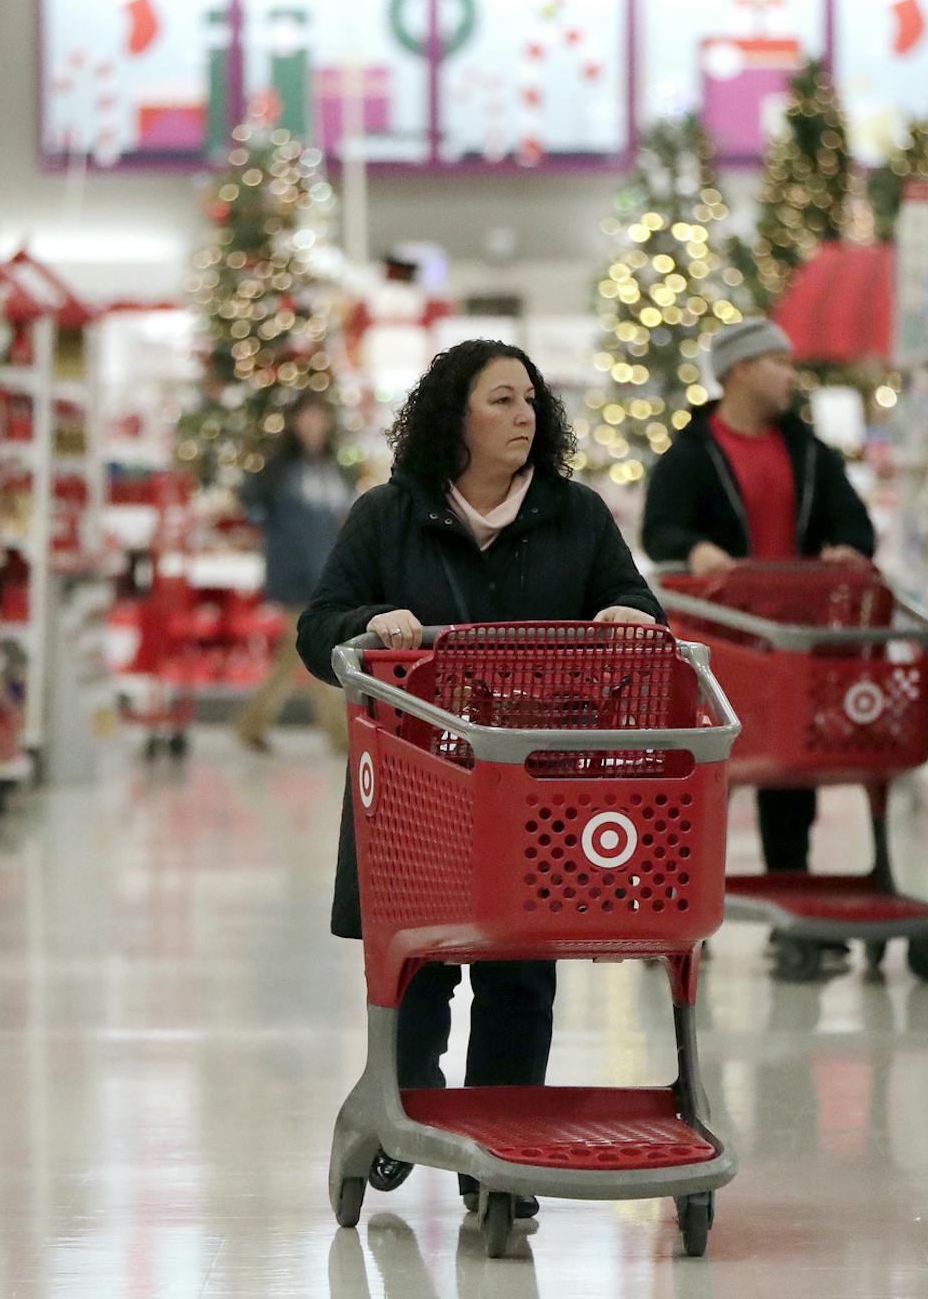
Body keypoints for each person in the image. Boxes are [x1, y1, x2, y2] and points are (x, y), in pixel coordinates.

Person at [298, 338, 662, 1218]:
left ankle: (500, 1155)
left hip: (537, 794)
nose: (524, 416)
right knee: (418, 968)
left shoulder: (576, 516)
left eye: (531, 400)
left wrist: (628, 613)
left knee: (521, 973)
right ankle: (410, 1102)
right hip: (420, 790)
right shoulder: (387, 516)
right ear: (453, 417)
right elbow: (318, 629)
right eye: (501, 400)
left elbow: (637, 605)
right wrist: (366, 621)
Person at [642, 317, 879, 962]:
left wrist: (846, 548)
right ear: (738, 370)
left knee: (790, 774)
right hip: (722, 643)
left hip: (797, 642)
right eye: (778, 362)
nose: (790, 375)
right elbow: (660, 529)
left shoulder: (808, 452)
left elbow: (855, 523)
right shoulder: (691, 455)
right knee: (704, 776)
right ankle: (681, 910)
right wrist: (696, 550)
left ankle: (792, 911)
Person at [234, 396, 357, 753]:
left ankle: (251, 724)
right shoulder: (280, 469)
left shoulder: (333, 468)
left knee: (293, 655)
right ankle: (339, 735)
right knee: (316, 649)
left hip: (325, 574)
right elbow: (251, 502)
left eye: (320, 417)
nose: (315, 425)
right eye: (308, 418)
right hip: (294, 576)